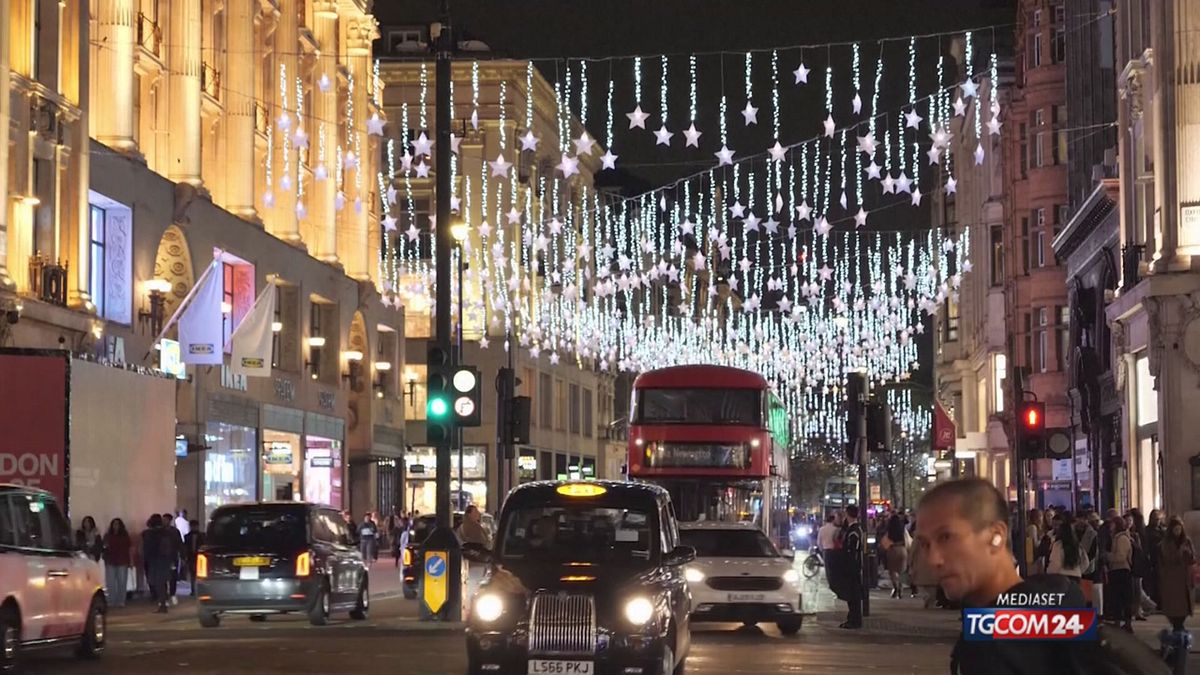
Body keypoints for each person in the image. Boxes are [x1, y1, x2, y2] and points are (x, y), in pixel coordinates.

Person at [915, 478, 1085, 674]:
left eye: (946, 537)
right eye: (925, 544)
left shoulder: (994, 643)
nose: (933, 559)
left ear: (996, 536)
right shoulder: (1061, 610)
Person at [1157, 516, 1194, 633]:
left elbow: (1193, 557)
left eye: (1179, 529)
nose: (1178, 532)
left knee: (1184, 605)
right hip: (1172, 578)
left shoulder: (1186, 541)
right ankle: (1177, 627)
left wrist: (1189, 555)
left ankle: (1180, 626)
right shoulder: (1166, 543)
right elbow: (1167, 558)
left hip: (1184, 578)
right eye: (1175, 529)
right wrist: (1180, 552)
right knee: (1174, 606)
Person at [1107, 514, 1135, 631]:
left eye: (1112, 524)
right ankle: (1119, 621)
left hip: (1121, 570)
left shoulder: (1122, 538)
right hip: (1116, 570)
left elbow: (1121, 556)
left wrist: (1108, 556)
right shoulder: (1116, 537)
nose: (1110, 526)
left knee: (1123, 597)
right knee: (1117, 597)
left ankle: (1126, 623)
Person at [141, 515, 174, 614]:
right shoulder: (167, 533)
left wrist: (145, 558)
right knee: (162, 583)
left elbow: (147, 548)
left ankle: (162, 604)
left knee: (157, 582)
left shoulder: (149, 534)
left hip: (155, 560)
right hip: (165, 560)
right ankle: (163, 603)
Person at [839, 505, 864, 629]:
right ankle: (852, 618)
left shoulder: (853, 531)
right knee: (853, 595)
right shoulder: (856, 529)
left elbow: (852, 550)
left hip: (852, 568)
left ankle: (854, 620)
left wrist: (849, 566)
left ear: (847, 514)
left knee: (853, 595)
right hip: (854, 567)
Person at [102, 518, 132, 608]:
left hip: (122, 560)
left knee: (122, 582)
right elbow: (104, 547)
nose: (115, 526)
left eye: (117, 524)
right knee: (110, 582)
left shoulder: (125, 536)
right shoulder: (107, 536)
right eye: (114, 524)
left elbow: (129, 548)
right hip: (110, 560)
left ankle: (121, 601)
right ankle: (111, 600)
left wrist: (130, 561)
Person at [884, 512, 909, 598]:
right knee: (901, 571)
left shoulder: (890, 529)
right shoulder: (902, 528)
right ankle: (901, 589)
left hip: (893, 549)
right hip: (902, 549)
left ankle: (895, 587)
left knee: (892, 571)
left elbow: (886, 539)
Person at [162, 512, 182, 604]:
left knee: (172, 577)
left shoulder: (175, 532)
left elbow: (179, 544)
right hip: (162, 558)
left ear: (170, 521)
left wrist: (182, 555)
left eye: (166, 520)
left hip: (173, 557)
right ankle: (164, 596)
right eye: (163, 520)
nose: (164, 521)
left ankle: (172, 594)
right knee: (163, 577)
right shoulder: (160, 532)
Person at [183, 519, 204, 596]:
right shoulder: (187, 536)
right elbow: (185, 547)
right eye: (192, 526)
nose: (194, 528)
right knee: (192, 574)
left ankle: (199, 590)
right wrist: (185, 557)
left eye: (195, 526)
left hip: (200, 556)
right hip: (191, 557)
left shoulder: (203, 536)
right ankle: (193, 590)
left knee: (199, 574)